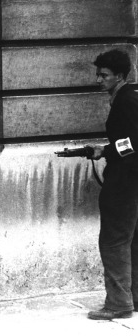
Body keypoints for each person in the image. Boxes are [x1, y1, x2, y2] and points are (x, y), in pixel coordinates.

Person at [85, 49, 138, 320]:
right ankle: (132, 298)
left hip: (124, 183)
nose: (98, 80)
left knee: (113, 242)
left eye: (104, 75)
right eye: (98, 74)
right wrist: (104, 150)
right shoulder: (130, 97)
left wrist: (106, 152)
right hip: (132, 183)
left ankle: (118, 303)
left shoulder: (125, 101)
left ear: (119, 76)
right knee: (130, 240)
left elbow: (131, 145)